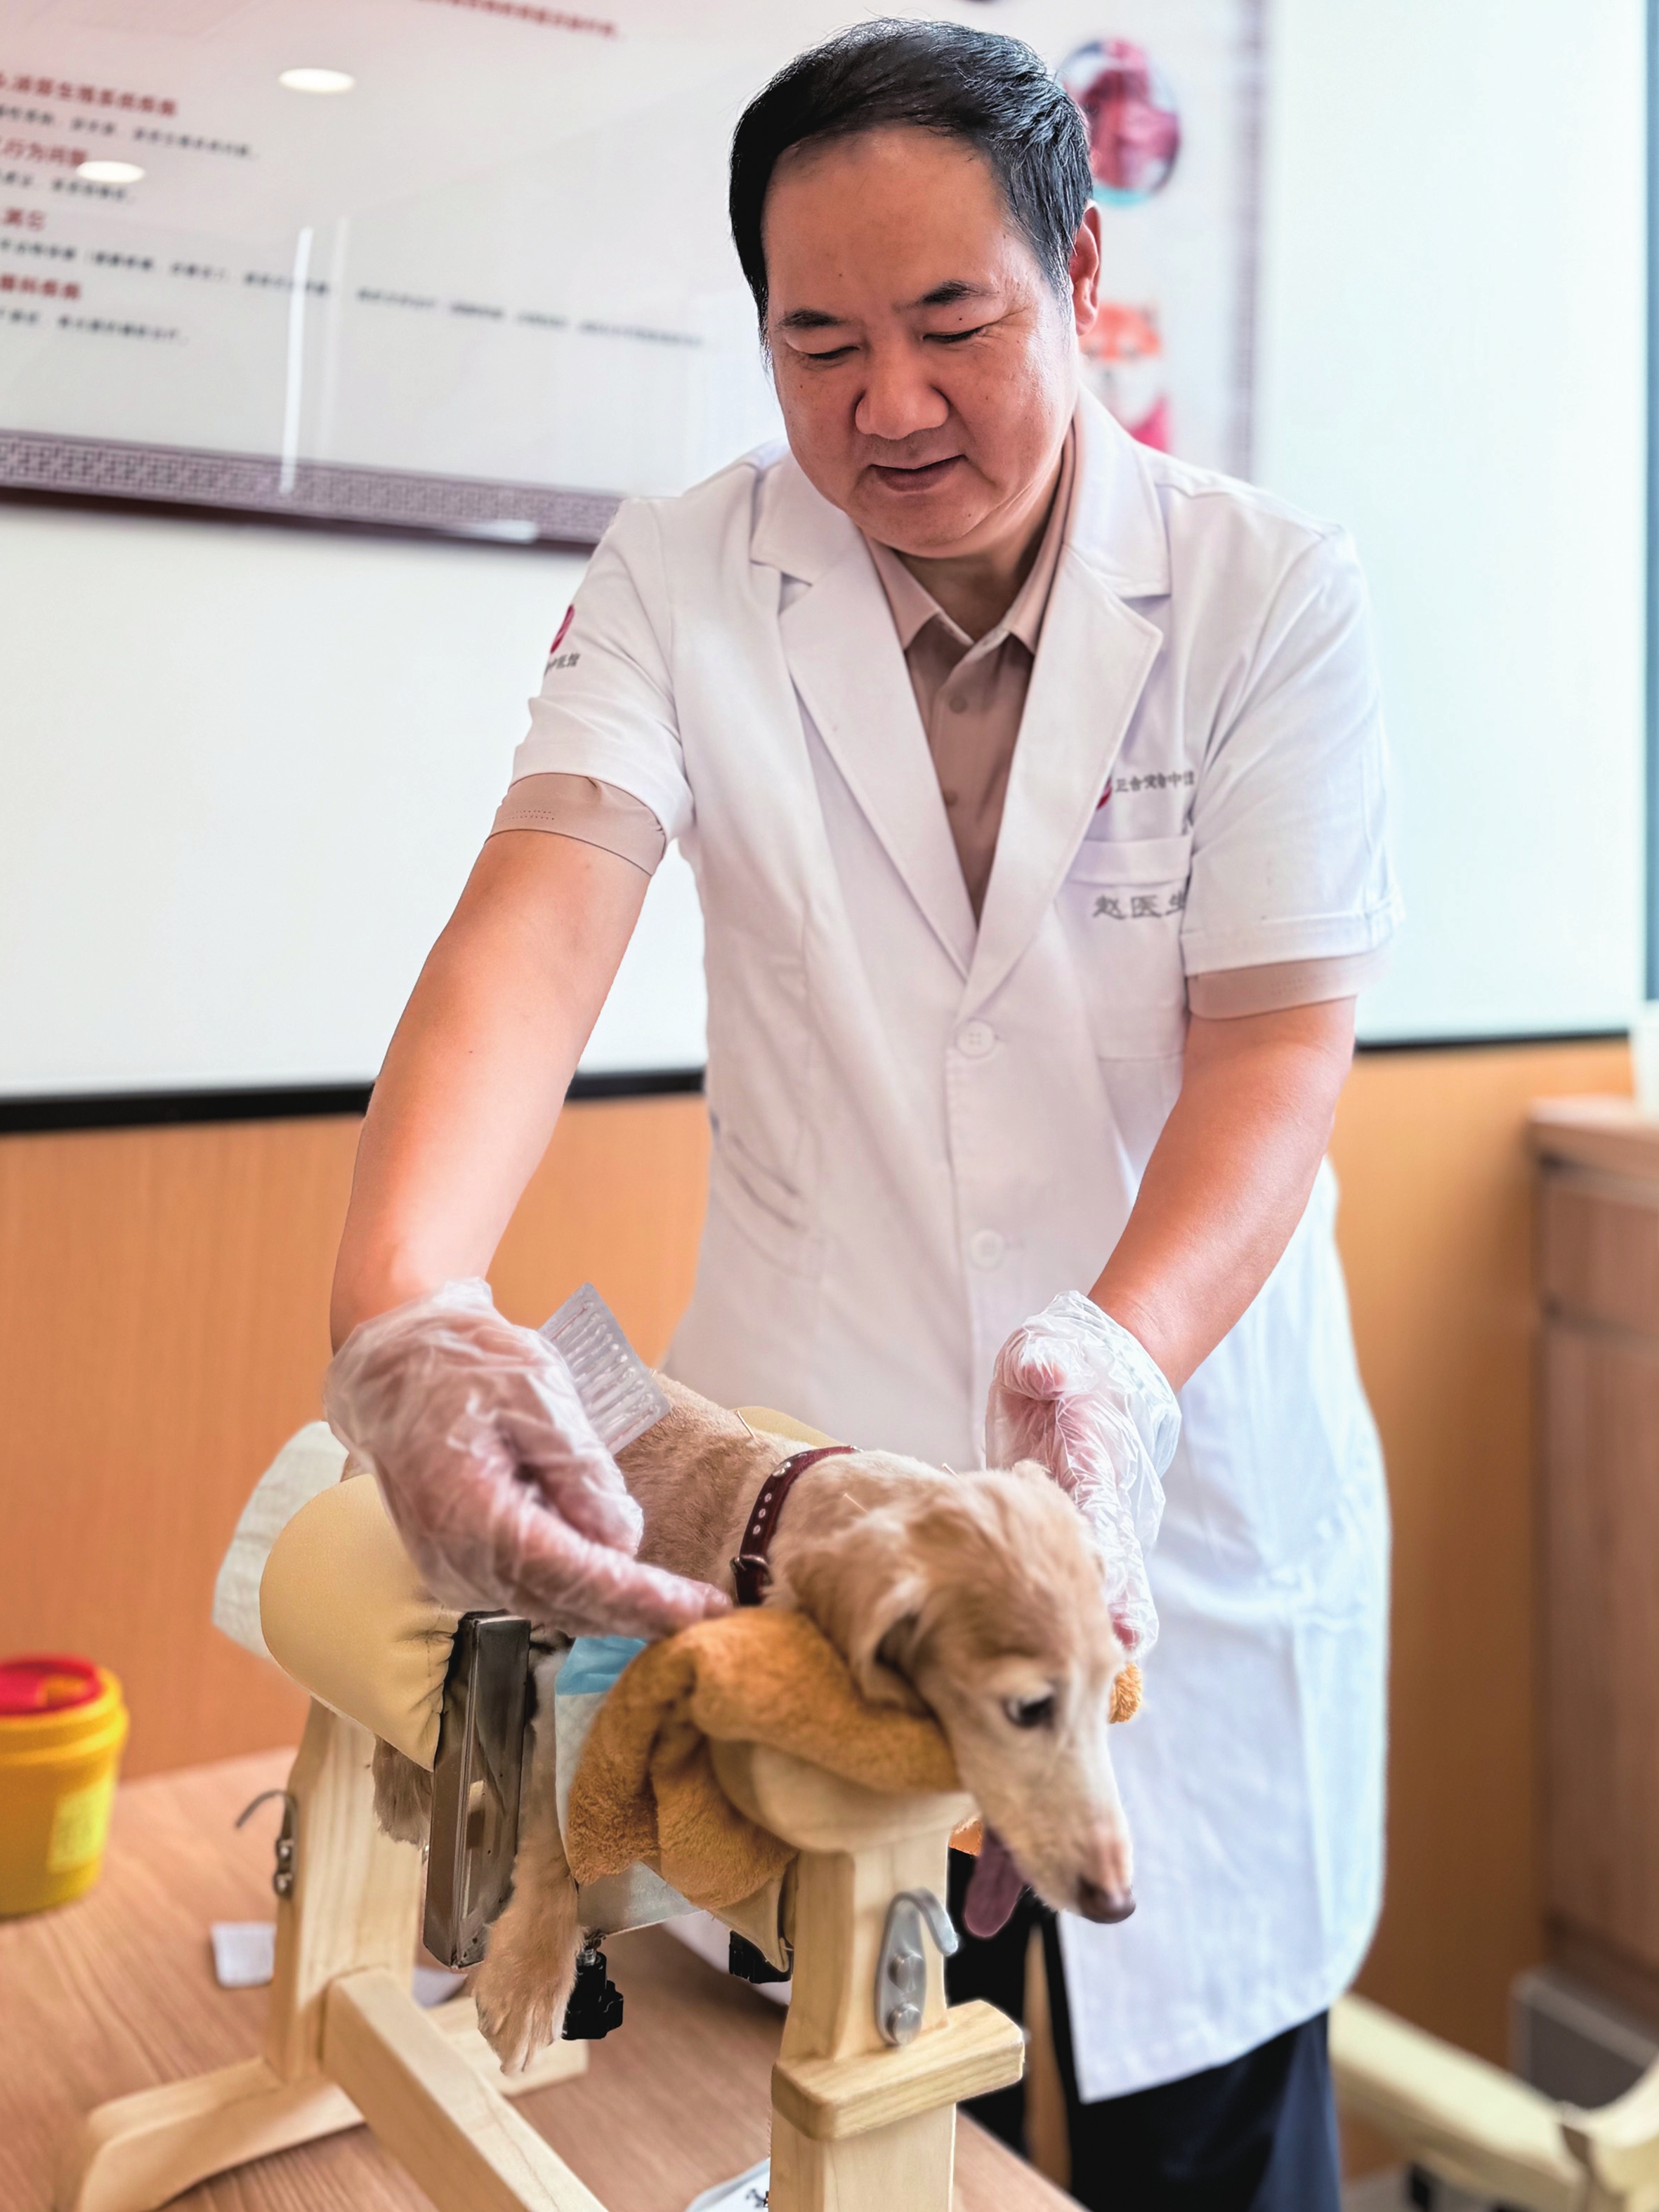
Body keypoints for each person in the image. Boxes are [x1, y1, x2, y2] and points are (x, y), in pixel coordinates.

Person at [324, 22, 1398, 2210]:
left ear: (1077, 276)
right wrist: (408, 1307)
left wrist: (1113, 1362)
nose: (887, 404)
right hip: (821, 1507)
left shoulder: (1264, 592)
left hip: (1183, 1497)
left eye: (949, 323)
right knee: (849, 2119)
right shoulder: (685, 570)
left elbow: (1276, 1047)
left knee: (1206, 2138)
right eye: (818, 343)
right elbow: (536, 923)